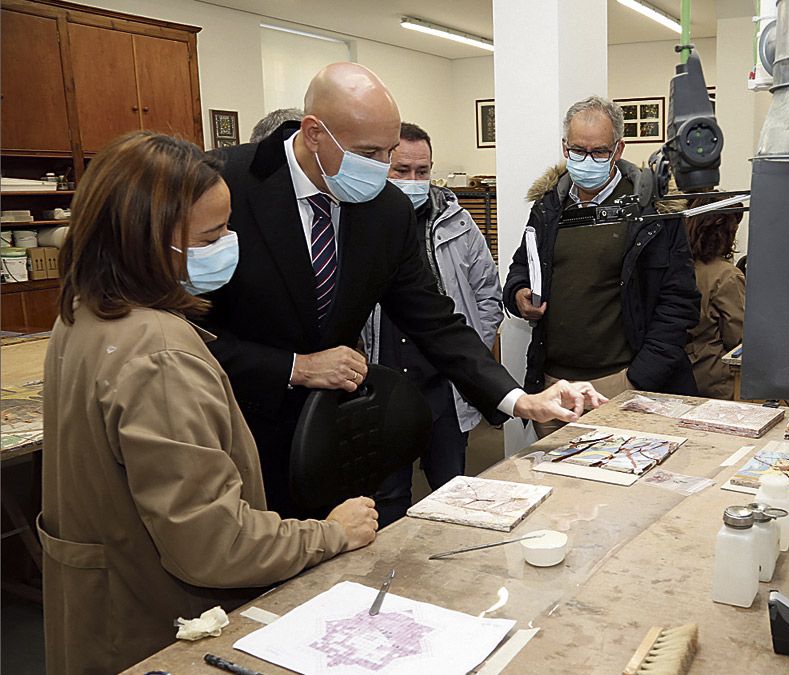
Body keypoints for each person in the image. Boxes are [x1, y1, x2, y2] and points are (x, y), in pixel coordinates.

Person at [40, 131, 379, 674]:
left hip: (100, 606)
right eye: (213, 232)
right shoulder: (159, 352)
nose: (228, 242)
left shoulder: (82, 314)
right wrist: (331, 534)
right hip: (157, 626)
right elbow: (212, 542)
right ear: (146, 239)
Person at [204, 63, 604, 517]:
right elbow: (180, 331)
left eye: (387, 150)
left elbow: (434, 320)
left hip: (328, 439)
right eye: (368, 152)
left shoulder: (384, 210)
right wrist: (293, 366)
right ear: (314, 133)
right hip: (231, 432)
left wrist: (521, 400)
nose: (379, 168)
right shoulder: (221, 184)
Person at [504, 95, 701, 437]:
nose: (587, 160)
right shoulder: (549, 207)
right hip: (554, 385)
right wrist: (519, 294)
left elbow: (679, 303)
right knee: (557, 484)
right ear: (565, 148)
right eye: (578, 151)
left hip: (620, 382)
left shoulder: (651, 211)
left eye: (599, 152)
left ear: (618, 150)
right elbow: (522, 266)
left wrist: (637, 379)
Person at [362, 123, 502, 524]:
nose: (412, 180)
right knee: (388, 497)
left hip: (444, 385)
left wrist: (468, 351)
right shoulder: (360, 223)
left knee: (452, 492)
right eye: (400, 170)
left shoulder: (457, 223)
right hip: (384, 383)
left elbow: (488, 291)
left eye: (421, 172)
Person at [683, 195, 745, 399]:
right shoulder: (726, 276)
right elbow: (738, 337)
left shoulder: (677, 268)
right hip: (715, 381)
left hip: (680, 375)